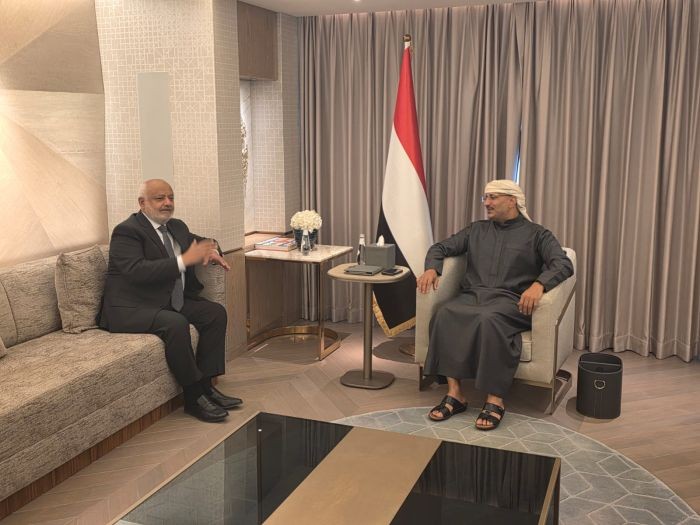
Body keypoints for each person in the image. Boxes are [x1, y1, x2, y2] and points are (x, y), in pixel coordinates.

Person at [416, 180, 573, 430]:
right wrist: (432, 269)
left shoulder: (538, 234)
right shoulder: (476, 230)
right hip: (473, 296)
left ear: (512, 201)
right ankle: (455, 394)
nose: (486, 203)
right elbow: (440, 247)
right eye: (485, 198)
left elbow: (563, 264)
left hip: (511, 301)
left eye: (493, 197)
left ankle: (495, 400)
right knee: (444, 313)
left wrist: (539, 285)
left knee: (489, 319)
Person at [99, 179, 242, 423]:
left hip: (165, 301)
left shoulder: (176, 226)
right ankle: (194, 397)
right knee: (176, 323)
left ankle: (207, 387)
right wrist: (184, 260)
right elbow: (137, 271)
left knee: (214, 313)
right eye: (159, 198)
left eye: (171, 197)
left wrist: (212, 248)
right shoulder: (127, 231)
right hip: (131, 307)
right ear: (142, 203)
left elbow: (202, 242)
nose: (167, 203)